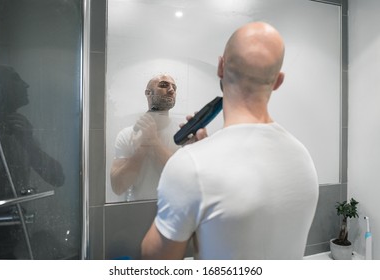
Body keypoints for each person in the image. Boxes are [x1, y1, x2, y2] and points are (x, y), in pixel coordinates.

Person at [141, 22, 319, 259]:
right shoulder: (303, 158)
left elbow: (155, 263)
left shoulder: (190, 166)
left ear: (221, 67)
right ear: (278, 81)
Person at [0, 64, 65, 259]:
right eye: (15, 78)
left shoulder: (18, 127)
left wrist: (28, 143)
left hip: (9, 232)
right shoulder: (0, 129)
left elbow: (58, 178)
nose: (26, 85)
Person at [110, 74, 180, 201]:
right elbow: (118, 187)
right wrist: (141, 149)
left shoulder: (183, 133)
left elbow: (184, 177)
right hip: (137, 212)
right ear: (148, 93)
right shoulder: (126, 135)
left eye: (174, 87)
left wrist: (154, 141)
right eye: (164, 85)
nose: (171, 90)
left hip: (174, 211)